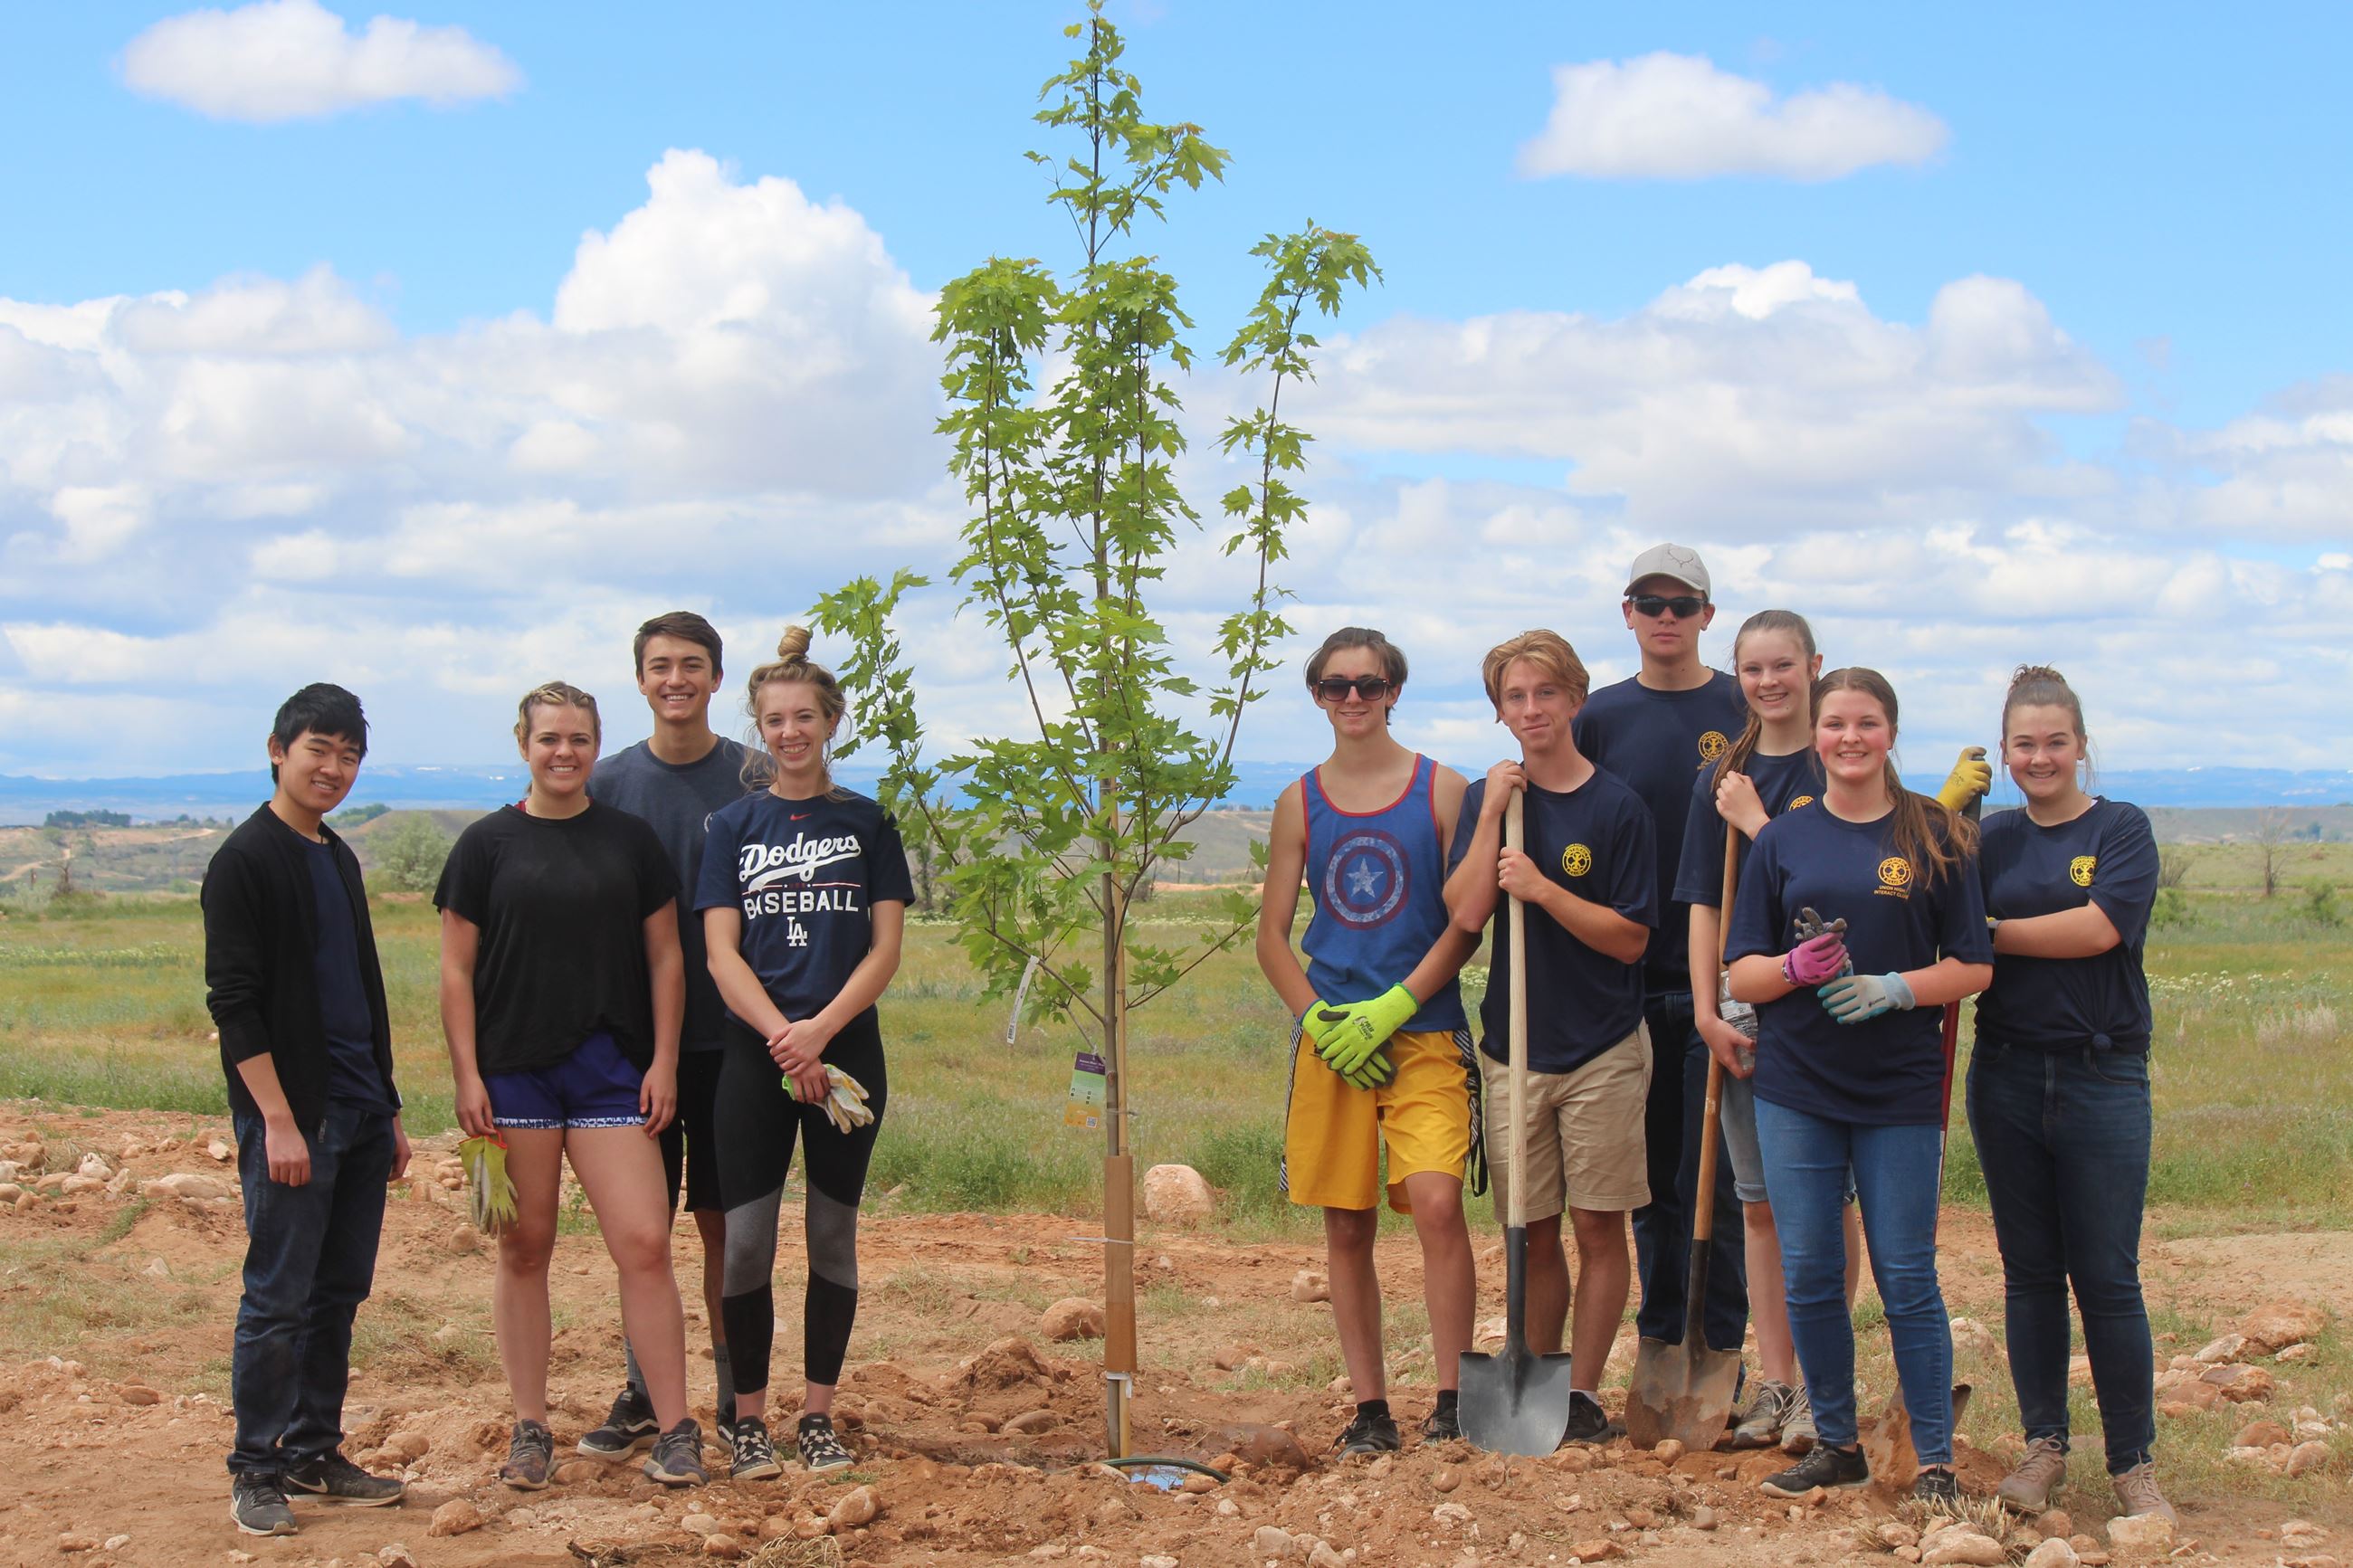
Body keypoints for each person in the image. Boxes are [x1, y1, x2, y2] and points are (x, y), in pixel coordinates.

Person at [1725, 668, 1993, 1505]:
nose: (1850, 737)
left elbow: (1974, 964)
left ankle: (1935, 1461)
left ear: (1891, 733)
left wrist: (1896, 988)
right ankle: (1836, 1443)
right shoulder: (1783, 841)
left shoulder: (1935, 835)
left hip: (1899, 1089)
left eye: (1867, 722)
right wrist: (1791, 968)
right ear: (1816, 736)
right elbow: (1741, 971)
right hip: (1796, 1086)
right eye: (1836, 723)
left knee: (1906, 1274)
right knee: (1809, 1270)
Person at [436, 682, 704, 1488]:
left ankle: (676, 1427)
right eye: (549, 737)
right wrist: (467, 1074)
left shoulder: (630, 840)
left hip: (610, 1070)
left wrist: (664, 1060)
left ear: (596, 744)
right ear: (523, 743)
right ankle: (530, 1428)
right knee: (524, 1247)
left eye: (579, 738)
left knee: (645, 1243)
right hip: (514, 1072)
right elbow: (456, 970)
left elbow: (667, 956)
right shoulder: (484, 845)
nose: (564, 751)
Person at [1256, 627, 1481, 1455]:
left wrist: (1396, 1004)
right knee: (1346, 1225)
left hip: (1425, 1033)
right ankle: (1371, 1408)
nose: (1353, 698)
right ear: (1317, 695)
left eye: (1369, 684)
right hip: (1332, 1044)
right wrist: (1319, 1020)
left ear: (1394, 691)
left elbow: (1466, 922)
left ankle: (1453, 1398)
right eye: (1336, 685)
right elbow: (1272, 937)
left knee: (1438, 1203)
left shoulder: (1442, 789)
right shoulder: (1299, 801)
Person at [698, 628, 911, 1478]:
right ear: (759, 726)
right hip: (757, 1054)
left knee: (832, 1235)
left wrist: (818, 1031)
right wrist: (786, 1042)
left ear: (831, 721)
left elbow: (885, 951)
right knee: (747, 1242)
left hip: (846, 1049)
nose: (789, 732)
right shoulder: (732, 825)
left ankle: (818, 1416)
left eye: (804, 717)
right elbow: (722, 954)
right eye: (774, 720)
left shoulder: (867, 822)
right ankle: (748, 1420)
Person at [204, 684, 412, 1537]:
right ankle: (256, 1468)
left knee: (338, 1292)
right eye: (318, 749)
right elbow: (234, 1003)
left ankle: (314, 1449)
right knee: (278, 1297)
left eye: (348, 755)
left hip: (359, 1109)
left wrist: (389, 1107)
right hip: (295, 1117)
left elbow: (364, 990)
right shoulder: (245, 859)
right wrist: (278, 1120)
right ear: (277, 749)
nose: (333, 767)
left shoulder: (338, 856)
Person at [1968, 667, 2174, 1525]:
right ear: (2005, 750)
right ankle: (2044, 1446)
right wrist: (1947, 816)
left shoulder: (2121, 827)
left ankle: (2133, 1464)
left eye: (2056, 741)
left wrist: (1989, 934)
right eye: (2025, 743)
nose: (2040, 757)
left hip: (2102, 1074)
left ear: (2081, 746)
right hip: (2006, 1072)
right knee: (2028, 1274)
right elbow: (1927, 905)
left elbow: (2099, 928)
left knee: (2107, 1276)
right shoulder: (1990, 837)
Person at [1446, 630, 1657, 1445]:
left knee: (1599, 1226)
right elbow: (1466, 910)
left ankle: (1585, 1393)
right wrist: (1490, 816)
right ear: (1499, 711)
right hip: (1515, 1049)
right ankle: (1530, 1379)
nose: (1531, 709)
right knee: (1531, 1229)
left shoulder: (1617, 807)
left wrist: (1542, 889)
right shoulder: (1491, 799)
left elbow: (1631, 939)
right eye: (1514, 697)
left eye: (1545, 693)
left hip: (1601, 1046)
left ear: (1574, 698)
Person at [1673, 610, 1861, 1455]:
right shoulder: (1723, 776)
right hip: (1745, 1007)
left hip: (1830, 1010)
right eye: (1753, 668)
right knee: (1758, 1204)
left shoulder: (1842, 760)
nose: (1768, 682)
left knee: (1828, 1202)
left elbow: (1844, 879)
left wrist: (1759, 825)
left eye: (1783, 665)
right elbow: (1702, 903)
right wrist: (1706, 1009)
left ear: (1813, 665)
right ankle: (1777, 1381)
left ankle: (1826, 1384)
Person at [1567, 545, 1751, 1383]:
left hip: (1728, 981)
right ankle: (1660, 1339)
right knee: (1650, 1184)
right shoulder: (1600, 717)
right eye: (1651, 603)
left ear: (1708, 614)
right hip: (1629, 985)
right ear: (1628, 614)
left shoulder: (1743, 706)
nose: (1666, 617)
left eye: (1683, 604)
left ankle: (1722, 1348)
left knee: (1722, 1178)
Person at [580, 612, 757, 1459]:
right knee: (639, 1230)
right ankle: (647, 1391)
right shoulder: (607, 782)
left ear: (717, 678)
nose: (675, 679)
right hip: (631, 1046)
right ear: (641, 680)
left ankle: (731, 1391)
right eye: (660, 666)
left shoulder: (757, 776)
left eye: (692, 665)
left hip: (733, 1040)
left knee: (724, 1224)